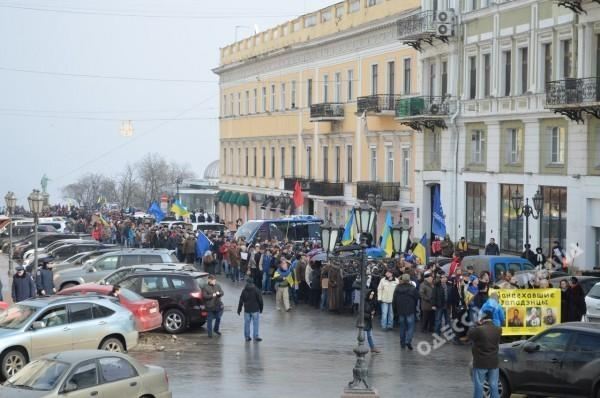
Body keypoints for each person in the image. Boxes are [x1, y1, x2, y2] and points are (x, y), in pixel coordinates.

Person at [468, 309, 502, 398]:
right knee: (494, 385)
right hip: (494, 362)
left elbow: (469, 335)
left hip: (480, 362)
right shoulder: (498, 329)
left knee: (479, 386)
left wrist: (476, 324)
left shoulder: (478, 330)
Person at [393, 274, 419, 350]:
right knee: (410, 327)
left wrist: (395, 309)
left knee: (402, 327)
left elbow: (394, 299)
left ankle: (402, 342)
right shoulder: (412, 288)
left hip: (400, 310)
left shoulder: (397, 287)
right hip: (410, 310)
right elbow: (417, 297)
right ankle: (408, 340)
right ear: (409, 280)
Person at [237, 277, 263, 342]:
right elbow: (260, 300)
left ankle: (247, 337)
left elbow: (241, 301)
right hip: (255, 309)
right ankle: (256, 336)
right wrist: (261, 308)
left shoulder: (244, 290)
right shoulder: (256, 290)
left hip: (247, 310)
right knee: (256, 323)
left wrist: (239, 309)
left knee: (247, 323)